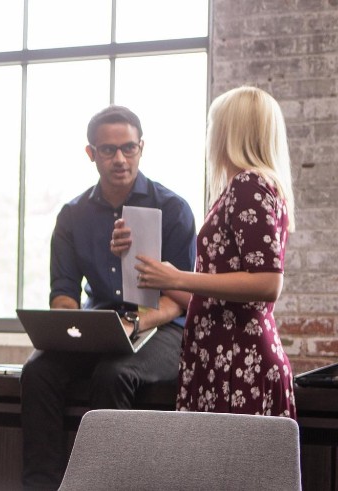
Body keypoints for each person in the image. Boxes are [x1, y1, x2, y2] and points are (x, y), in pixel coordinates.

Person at [20, 106, 196, 490]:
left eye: (128, 148)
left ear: (141, 148)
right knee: (37, 371)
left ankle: (103, 485)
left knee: (114, 373)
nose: (119, 159)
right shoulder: (72, 214)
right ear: (91, 154)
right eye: (108, 150)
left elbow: (182, 300)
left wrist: (138, 323)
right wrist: (68, 325)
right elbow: (64, 294)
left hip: (163, 325)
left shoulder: (173, 209)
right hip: (101, 324)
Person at [121, 86, 296, 417]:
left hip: (238, 359)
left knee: (226, 469)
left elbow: (268, 282)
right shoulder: (250, 188)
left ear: (230, 131)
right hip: (224, 355)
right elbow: (212, 297)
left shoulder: (248, 186)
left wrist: (179, 276)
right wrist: (147, 267)